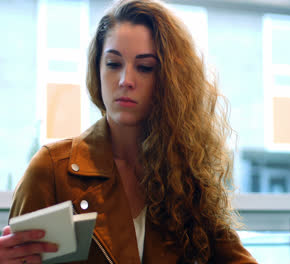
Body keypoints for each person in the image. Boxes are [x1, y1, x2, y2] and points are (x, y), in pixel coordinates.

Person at [1, 0, 258, 263]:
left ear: (170, 81)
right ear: (96, 70)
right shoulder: (52, 170)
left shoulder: (187, 176)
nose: (125, 80)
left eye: (145, 67)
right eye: (113, 64)